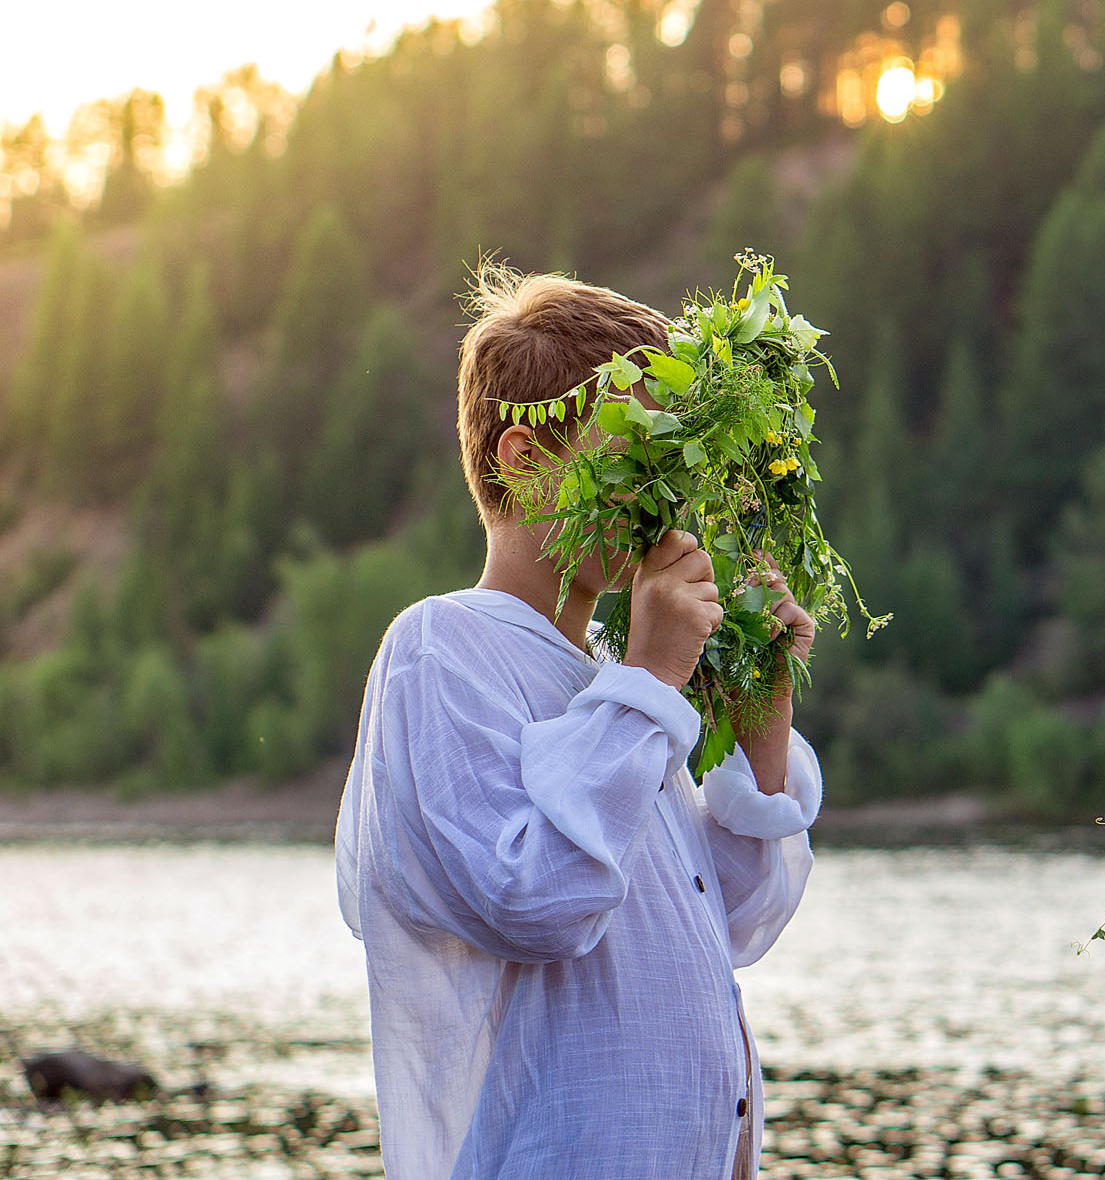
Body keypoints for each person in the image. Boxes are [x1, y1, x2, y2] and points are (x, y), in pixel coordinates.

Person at [334, 265, 822, 1179]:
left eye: (673, 463)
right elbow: (539, 902)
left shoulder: (610, 683)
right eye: (636, 455)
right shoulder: (441, 649)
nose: (664, 498)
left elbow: (740, 919)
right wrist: (652, 674)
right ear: (524, 459)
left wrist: (758, 708)